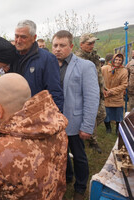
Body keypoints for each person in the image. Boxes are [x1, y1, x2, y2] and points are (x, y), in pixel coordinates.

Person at [52, 30, 99, 200]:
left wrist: (87, 126)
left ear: (71, 46)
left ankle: (80, 188)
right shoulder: (50, 66)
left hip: (76, 123)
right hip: (56, 124)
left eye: (62, 45)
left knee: (79, 157)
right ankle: (66, 179)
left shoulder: (85, 66)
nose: (58, 49)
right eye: (55, 45)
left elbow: (92, 97)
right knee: (60, 156)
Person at [10, 19, 63, 112]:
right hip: (13, 115)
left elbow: (54, 93)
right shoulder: (10, 57)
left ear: (34, 38)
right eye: (16, 36)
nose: (18, 41)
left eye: (23, 37)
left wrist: (55, 119)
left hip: (36, 117)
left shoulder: (47, 59)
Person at [75, 33, 104, 154]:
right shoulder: (78, 58)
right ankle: (93, 141)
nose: (92, 45)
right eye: (89, 43)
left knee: (102, 115)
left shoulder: (95, 56)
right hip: (87, 93)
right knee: (92, 114)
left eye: (93, 43)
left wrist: (103, 88)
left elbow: (99, 74)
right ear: (81, 44)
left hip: (98, 90)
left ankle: (87, 132)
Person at [102, 53, 128, 135]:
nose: (117, 61)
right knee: (106, 114)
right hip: (106, 96)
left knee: (118, 115)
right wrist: (103, 90)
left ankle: (117, 129)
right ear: (113, 59)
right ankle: (108, 128)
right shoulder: (104, 68)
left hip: (117, 97)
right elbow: (98, 80)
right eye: (116, 59)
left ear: (122, 61)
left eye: (119, 60)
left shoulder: (124, 71)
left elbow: (124, 85)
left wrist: (111, 91)